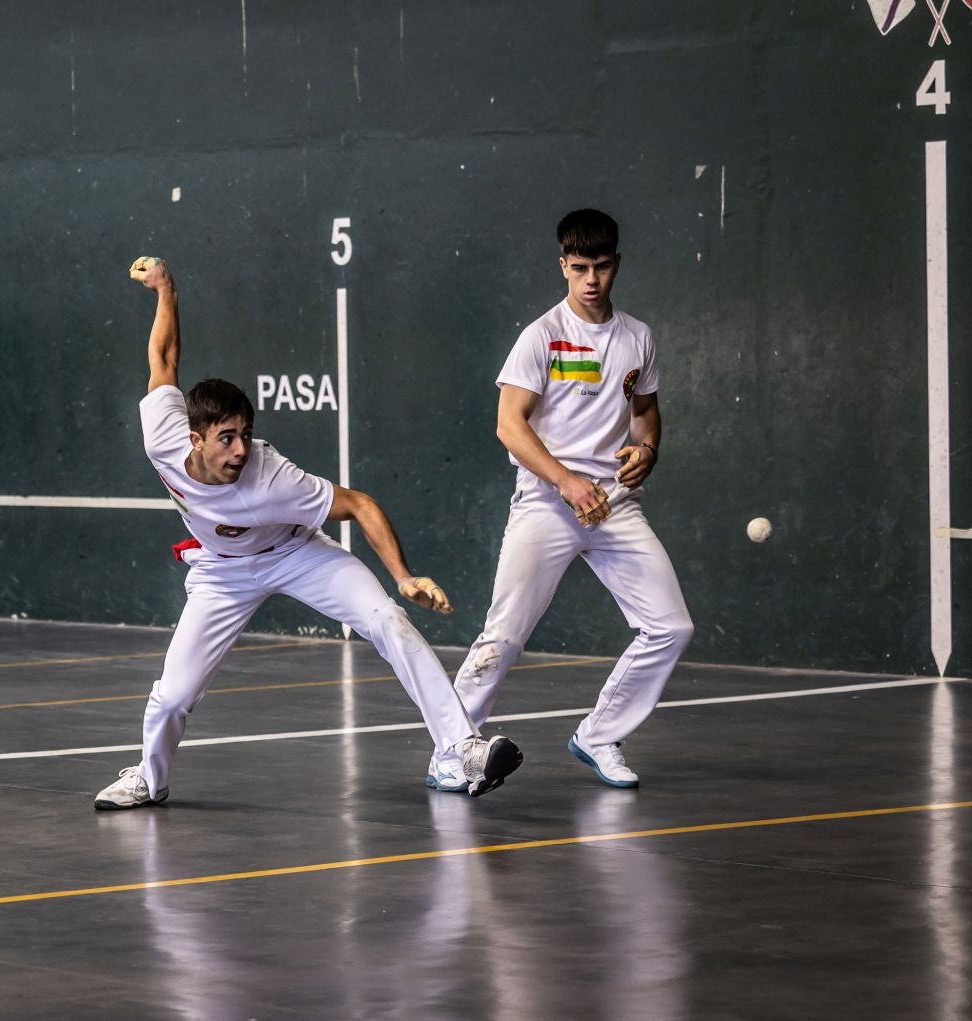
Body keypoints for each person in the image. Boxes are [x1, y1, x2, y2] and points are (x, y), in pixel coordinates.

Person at [94, 257, 522, 809]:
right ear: (195, 439)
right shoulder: (162, 436)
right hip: (222, 570)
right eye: (226, 438)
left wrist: (403, 575)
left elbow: (360, 504)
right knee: (173, 695)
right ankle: (149, 779)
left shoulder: (274, 479)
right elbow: (164, 357)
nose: (241, 450)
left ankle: (462, 748)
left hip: (296, 553)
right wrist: (165, 289)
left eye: (246, 434)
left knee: (387, 619)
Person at [435, 209, 692, 790]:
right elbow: (509, 425)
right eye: (579, 268)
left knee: (671, 627)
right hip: (547, 504)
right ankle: (452, 752)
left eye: (601, 266)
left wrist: (647, 449)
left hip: (614, 504)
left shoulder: (637, 337)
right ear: (563, 267)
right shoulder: (541, 336)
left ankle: (600, 735)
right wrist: (566, 482)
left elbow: (645, 412)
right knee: (503, 635)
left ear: (616, 264)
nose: (591, 279)